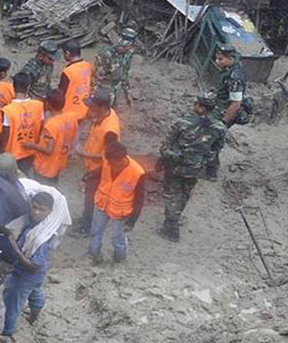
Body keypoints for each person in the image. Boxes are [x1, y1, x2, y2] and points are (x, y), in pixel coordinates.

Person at [157, 93, 226, 241]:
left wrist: (166, 158)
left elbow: (165, 146)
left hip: (176, 165)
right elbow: (216, 150)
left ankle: (171, 225)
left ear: (201, 107)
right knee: (185, 192)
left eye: (196, 103)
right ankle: (176, 215)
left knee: (171, 193)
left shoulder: (182, 123)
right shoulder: (220, 128)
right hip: (196, 168)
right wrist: (202, 159)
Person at [1, 192, 55, 337]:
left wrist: (13, 244)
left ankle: (6, 331)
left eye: (41, 210)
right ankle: (35, 312)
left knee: (11, 302)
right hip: (38, 275)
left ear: (49, 211)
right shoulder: (34, 223)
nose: (36, 212)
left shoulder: (41, 236)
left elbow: (33, 266)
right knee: (35, 291)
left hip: (25, 275)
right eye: (34, 207)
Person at [72, 89, 120, 236]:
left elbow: (111, 156)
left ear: (103, 108)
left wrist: (83, 153)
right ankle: (87, 219)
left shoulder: (110, 130)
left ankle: (87, 227)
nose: (89, 108)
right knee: (89, 195)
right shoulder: (103, 116)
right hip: (93, 167)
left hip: (100, 169)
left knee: (91, 197)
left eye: (92, 106)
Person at [88, 142, 146, 264]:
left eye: (115, 164)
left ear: (123, 159)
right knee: (95, 232)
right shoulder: (107, 160)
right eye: (110, 164)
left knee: (118, 238)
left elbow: (139, 199)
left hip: (121, 212)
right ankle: (94, 256)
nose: (112, 167)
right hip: (101, 203)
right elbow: (101, 172)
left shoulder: (137, 173)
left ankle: (119, 260)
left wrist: (132, 221)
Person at [205, 43, 249, 180]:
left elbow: (236, 104)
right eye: (217, 58)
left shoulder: (234, 77)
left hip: (225, 111)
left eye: (221, 59)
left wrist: (223, 123)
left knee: (213, 139)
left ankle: (211, 171)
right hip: (220, 105)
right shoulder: (231, 68)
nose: (217, 62)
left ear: (230, 58)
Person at [24, 89, 79, 185]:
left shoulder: (51, 125)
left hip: (45, 167)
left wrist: (31, 145)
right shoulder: (72, 118)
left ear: (48, 104)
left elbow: (49, 150)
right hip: (59, 163)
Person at [0, 73, 45, 173]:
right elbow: (42, 127)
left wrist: (0, 152)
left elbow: (5, 135)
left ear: (13, 87)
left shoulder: (8, 110)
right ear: (28, 87)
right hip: (31, 150)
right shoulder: (39, 106)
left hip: (12, 155)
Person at [95, 27, 137, 106]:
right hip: (105, 87)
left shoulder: (128, 53)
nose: (122, 48)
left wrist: (127, 93)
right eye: (121, 46)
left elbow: (125, 72)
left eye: (126, 47)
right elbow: (97, 77)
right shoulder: (105, 54)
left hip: (116, 87)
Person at [58, 39, 94, 121]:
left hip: (69, 111)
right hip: (84, 109)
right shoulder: (88, 66)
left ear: (67, 53)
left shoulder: (68, 71)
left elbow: (61, 92)